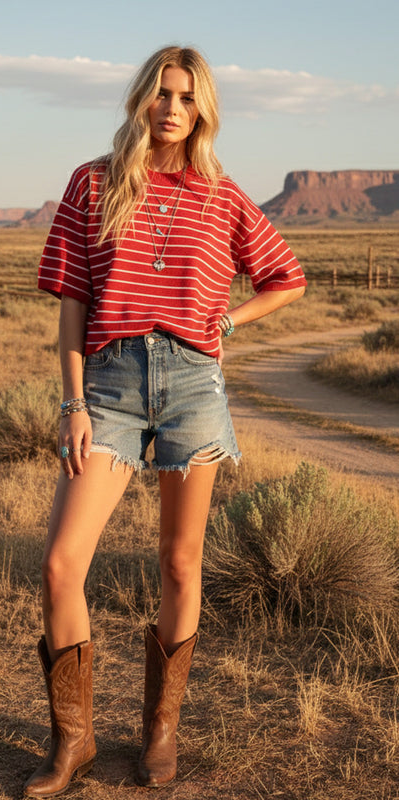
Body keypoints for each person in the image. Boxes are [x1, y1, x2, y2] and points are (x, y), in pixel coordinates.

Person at [25, 45, 306, 798]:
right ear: (141, 100)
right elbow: (72, 301)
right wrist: (73, 402)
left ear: (201, 108)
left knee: (180, 563)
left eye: (185, 97)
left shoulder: (222, 194)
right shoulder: (92, 182)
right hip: (109, 384)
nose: (171, 109)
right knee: (60, 564)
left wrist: (230, 322)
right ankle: (74, 740)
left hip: (191, 385)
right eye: (160, 94)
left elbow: (286, 277)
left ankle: (160, 731)